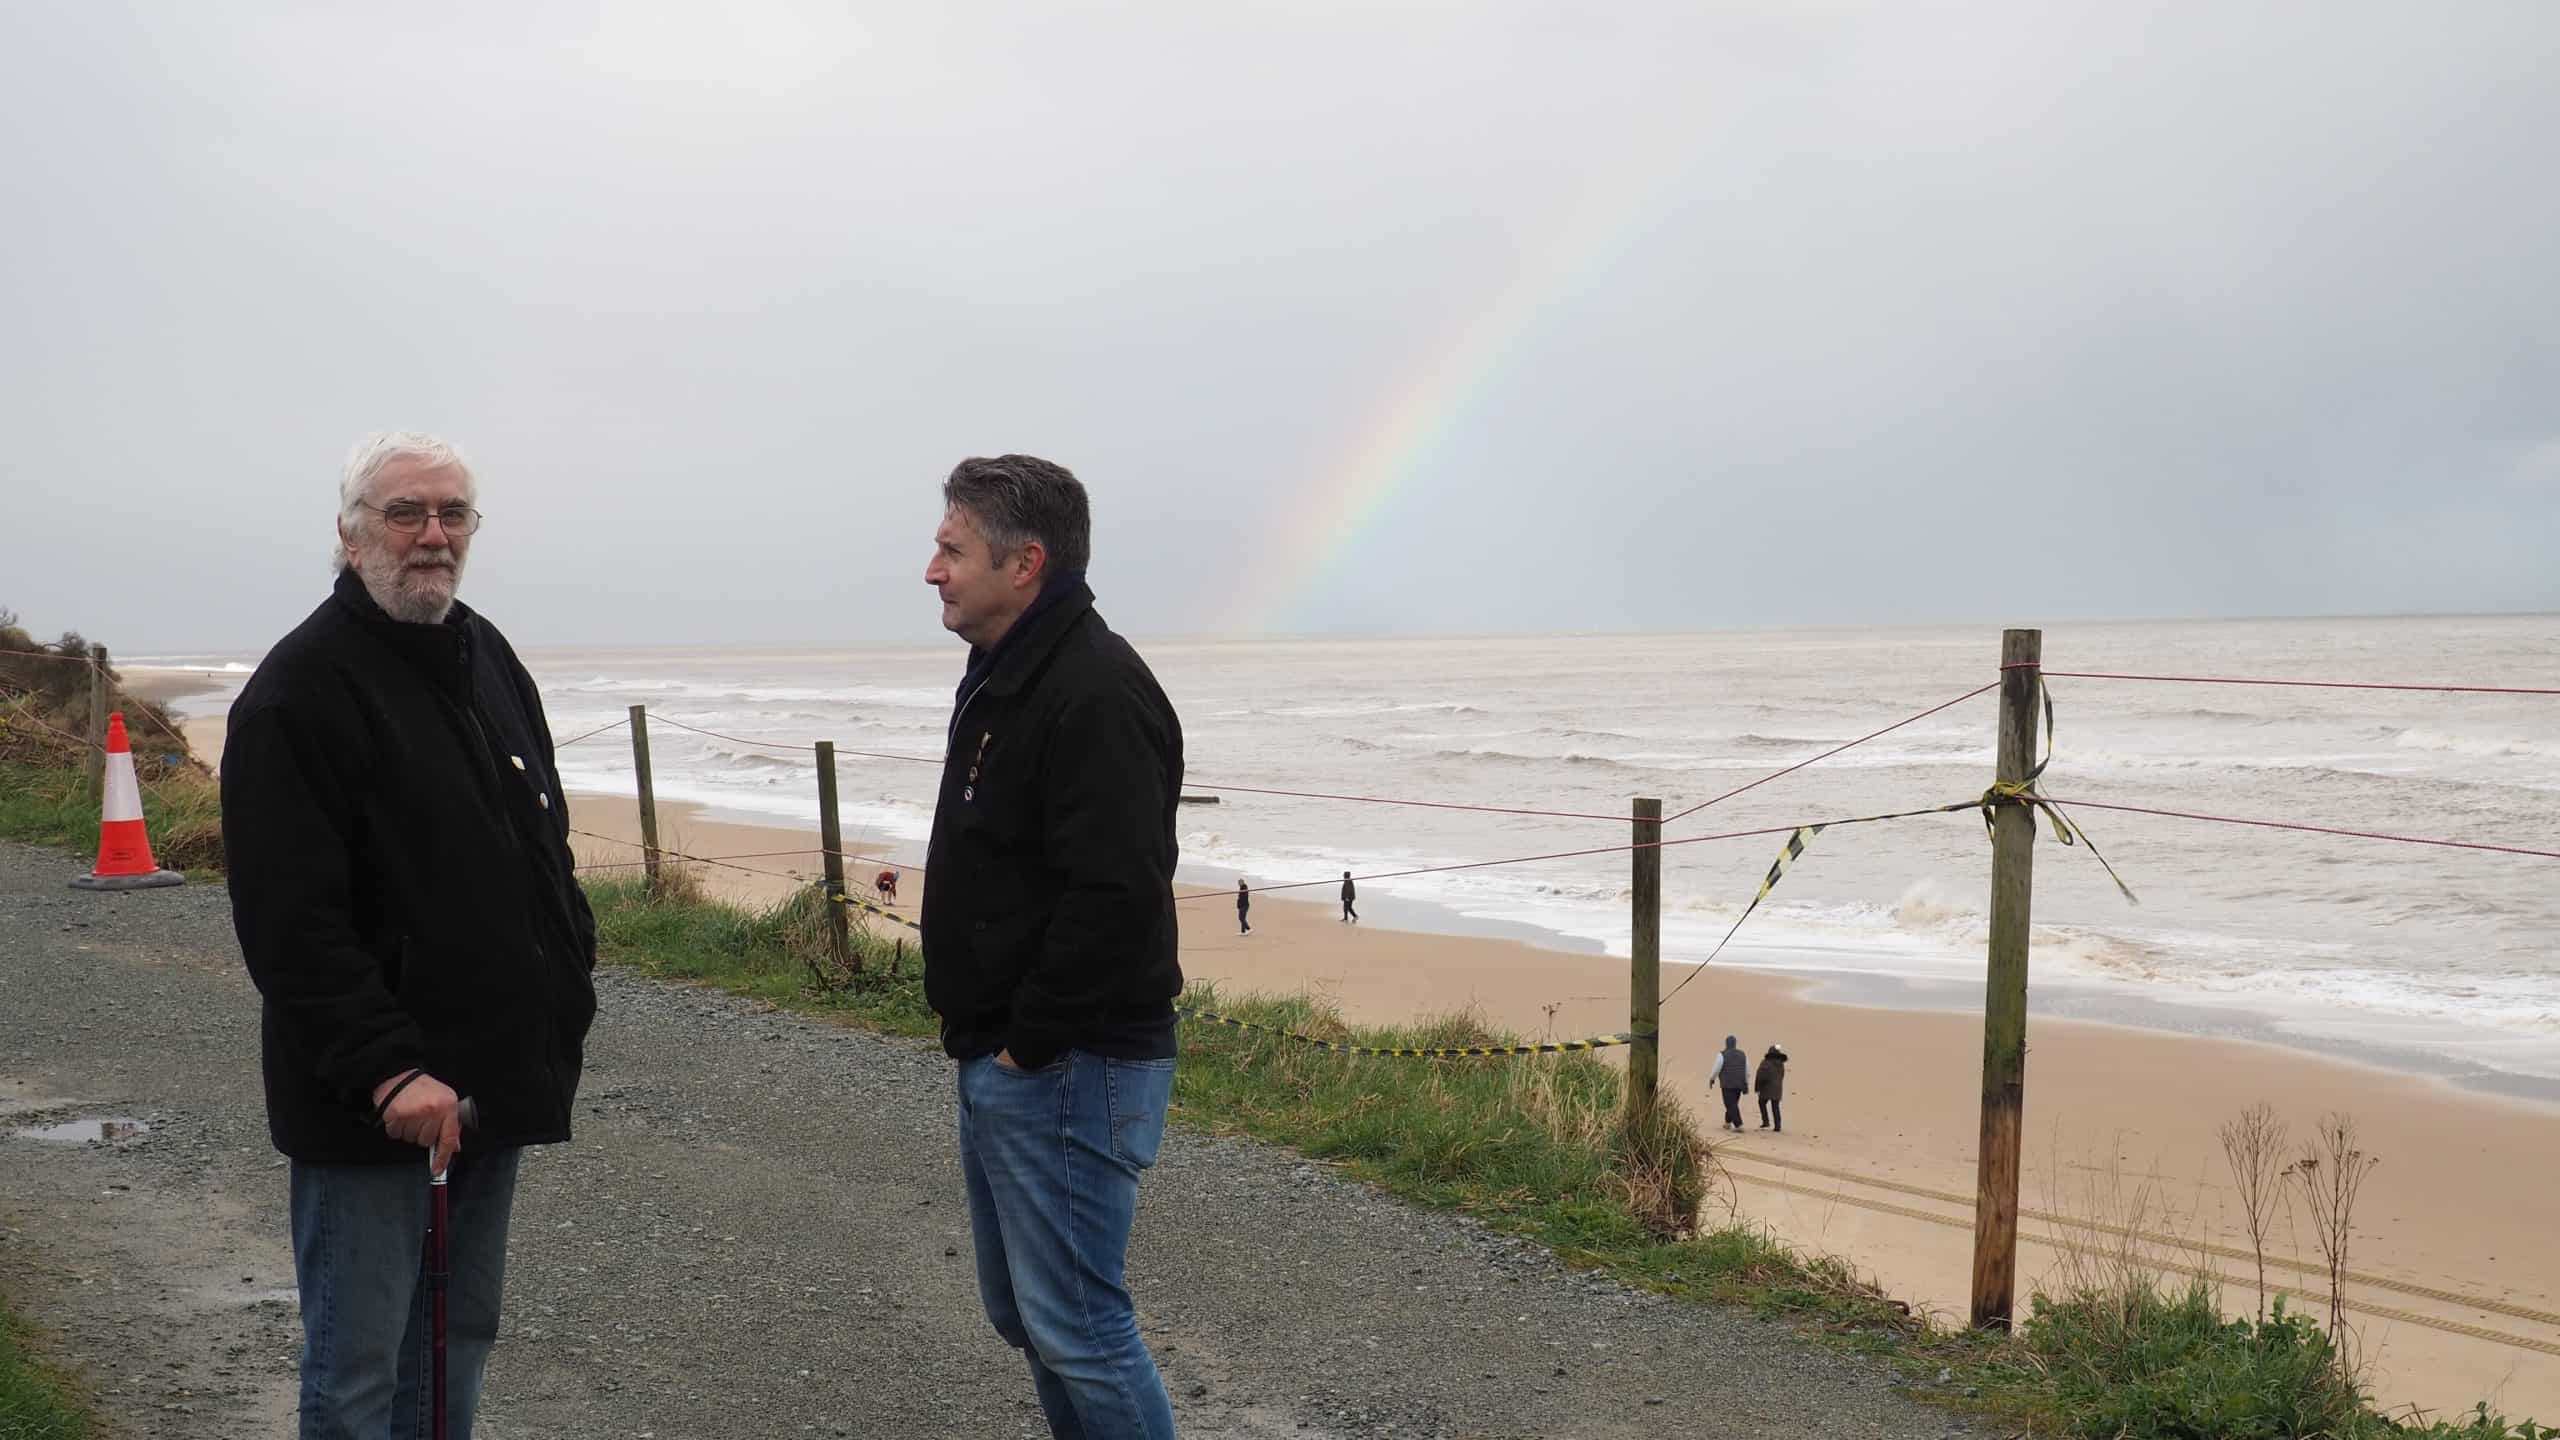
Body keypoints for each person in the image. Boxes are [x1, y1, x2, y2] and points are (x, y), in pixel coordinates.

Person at [221, 432, 597, 1440]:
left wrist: (567, 987)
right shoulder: (298, 694)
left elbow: (538, 841)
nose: (434, 536)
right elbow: (289, 923)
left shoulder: (485, 653)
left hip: (490, 1084)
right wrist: (389, 1072)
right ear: (351, 537)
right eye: (405, 514)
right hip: (373, 1105)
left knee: (457, 1337)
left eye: (453, 514)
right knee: (358, 1367)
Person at [921, 454, 1184, 1440]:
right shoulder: (1005, 673)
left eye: (952, 549)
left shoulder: (1096, 691)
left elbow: (1113, 894)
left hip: (1072, 1062)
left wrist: (1028, 1043)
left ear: (1024, 562)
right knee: (1028, 1314)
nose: (933, 570)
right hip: (1014, 1057)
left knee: (1077, 1323)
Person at [1715, 1035, 1750, 1131]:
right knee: (1733, 1103)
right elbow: (1747, 1071)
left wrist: (1712, 1079)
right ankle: (1727, 1123)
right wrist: (1746, 1083)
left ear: (1726, 1043)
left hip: (1727, 1083)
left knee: (1730, 1104)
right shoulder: (1743, 1054)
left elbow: (1717, 1068)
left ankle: (1739, 1125)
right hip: (1739, 1083)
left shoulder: (1722, 1054)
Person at [1755, 1043, 1788, 1132]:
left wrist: (1757, 1087)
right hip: (1777, 1088)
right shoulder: (1781, 1064)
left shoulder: (1766, 1063)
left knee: (1761, 1102)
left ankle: (1766, 1121)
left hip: (1766, 1088)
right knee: (1775, 1106)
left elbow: (1760, 1076)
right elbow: (1782, 1076)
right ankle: (1778, 1126)